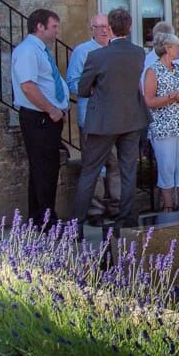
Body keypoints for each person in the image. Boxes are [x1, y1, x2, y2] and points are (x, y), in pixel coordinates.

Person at [72, 7, 151, 226]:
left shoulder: (97, 55)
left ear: (110, 28)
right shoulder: (138, 53)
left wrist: (98, 89)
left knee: (90, 171)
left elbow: (83, 89)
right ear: (130, 27)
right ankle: (127, 217)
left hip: (103, 121)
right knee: (128, 170)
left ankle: (76, 225)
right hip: (132, 118)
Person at [11, 8, 68, 225]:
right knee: (44, 169)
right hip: (40, 118)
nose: (57, 32)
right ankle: (45, 220)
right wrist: (52, 109)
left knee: (46, 168)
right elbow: (28, 86)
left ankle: (40, 218)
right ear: (40, 26)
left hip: (47, 118)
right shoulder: (28, 51)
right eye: (54, 27)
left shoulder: (40, 50)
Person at [66, 13, 119, 214]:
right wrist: (95, 88)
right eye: (98, 27)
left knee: (116, 163)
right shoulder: (82, 51)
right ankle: (95, 208)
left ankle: (116, 206)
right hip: (91, 116)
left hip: (116, 116)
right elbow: (72, 83)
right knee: (93, 165)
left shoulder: (117, 50)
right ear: (92, 29)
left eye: (106, 26)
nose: (103, 30)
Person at [143, 31, 179, 213]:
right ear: (167, 48)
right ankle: (168, 204)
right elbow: (149, 101)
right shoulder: (152, 71)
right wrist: (172, 97)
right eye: (176, 46)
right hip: (163, 127)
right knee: (167, 165)